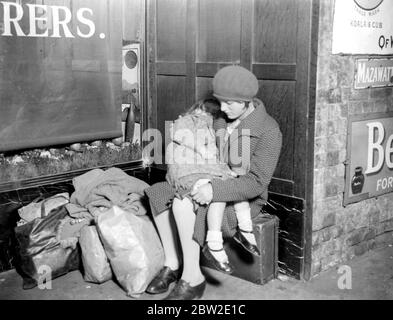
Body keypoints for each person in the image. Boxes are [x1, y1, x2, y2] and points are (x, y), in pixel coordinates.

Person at [144, 65, 282, 300]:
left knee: (182, 204)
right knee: (157, 192)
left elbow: (257, 183)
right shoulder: (221, 117)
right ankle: (172, 262)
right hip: (207, 176)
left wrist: (213, 190)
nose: (223, 108)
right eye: (221, 102)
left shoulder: (269, 131)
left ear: (246, 101)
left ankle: (193, 277)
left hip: (241, 198)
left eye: (229, 103)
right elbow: (194, 135)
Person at [165, 98, 260, 274]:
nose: (207, 114)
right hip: (190, 170)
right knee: (220, 190)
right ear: (196, 109)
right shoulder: (187, 120)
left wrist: (225, 169)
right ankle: (214, 243)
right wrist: (202, 151)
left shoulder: (213, 127)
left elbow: (217, 154)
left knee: (233, 188)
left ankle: (246, 230)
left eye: (213, 113)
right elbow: (177, 134)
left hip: (208, 169)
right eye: (205, 110)